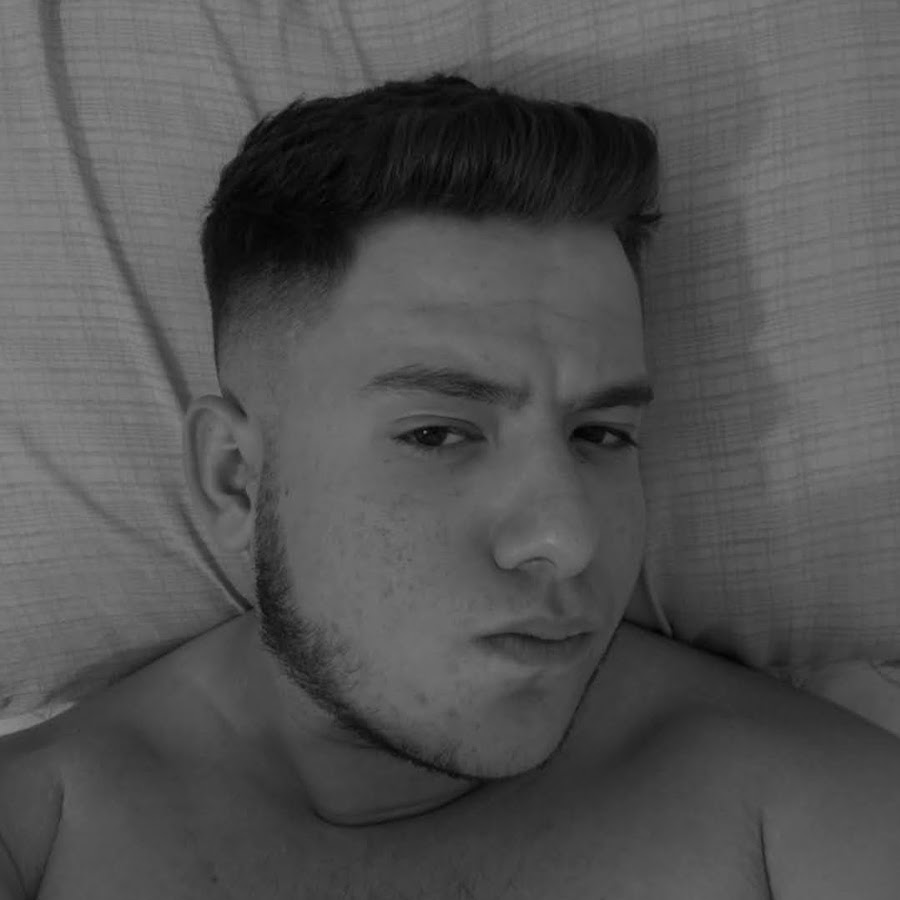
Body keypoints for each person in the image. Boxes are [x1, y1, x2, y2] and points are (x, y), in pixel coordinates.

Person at [1, 72, 899, 900]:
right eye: (438, 434)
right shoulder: (41, 828)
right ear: (235, 480)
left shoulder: (805, 808)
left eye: (602, 434)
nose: (569, 539)